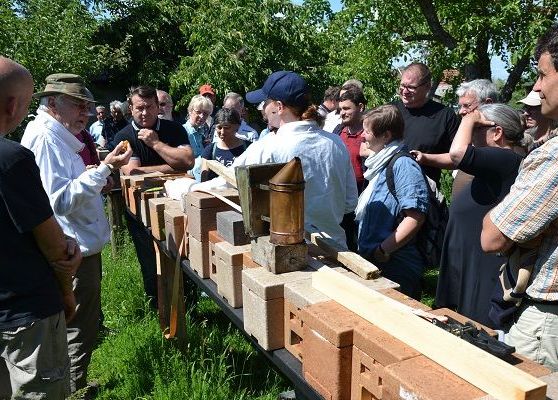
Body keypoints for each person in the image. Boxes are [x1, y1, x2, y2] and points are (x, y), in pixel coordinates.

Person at [20, 73, 132, 393]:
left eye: (87, 105)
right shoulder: (45, 137)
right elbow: (60, 201)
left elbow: (59, 188)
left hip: (74, 246)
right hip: (71, 250)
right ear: (53, 103)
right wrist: (104, 169)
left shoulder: (55, 134)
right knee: (78, 327)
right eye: (77, 104)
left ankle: (71, 385)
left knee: (78, 323)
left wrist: (91, 176)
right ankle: (74, 390)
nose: (84, 111)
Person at [0, 57, 83, 400]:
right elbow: (54, 247)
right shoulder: (11, 159)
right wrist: (66, 289)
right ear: (12, 104)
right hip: (24, 313)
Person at [481, 24, 558, 372]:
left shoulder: (554, 157)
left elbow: (492, 236)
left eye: (542, 75)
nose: (537, 87)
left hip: (545, 321)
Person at [236, 70, 358, 248]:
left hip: (290, 252)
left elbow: (233, 179)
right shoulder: (336, 142)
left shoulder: (269, 145)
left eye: (265, 103)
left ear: (279, 106)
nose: (263, 108)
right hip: (336, 250)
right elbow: (349, 203)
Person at [434, 104, 524, 327]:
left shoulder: (506, 158)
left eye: (477, 127)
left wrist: (469, 118)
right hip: (469, 258)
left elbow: (457, 154)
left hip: (482, 264)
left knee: (475, 327)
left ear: (497, 132)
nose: (471, 133)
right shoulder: (495, 163)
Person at [114, 85, 194, 304]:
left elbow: (187, 161)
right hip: (140, 210)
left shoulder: (174, 129)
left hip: (176, 204)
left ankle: (189, 303)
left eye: (149, 107)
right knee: (149, 260)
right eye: (139, 107)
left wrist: (156, 143)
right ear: (130, 108)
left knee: (183, 255)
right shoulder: (124, 136)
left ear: (158, 107)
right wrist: (171, 164)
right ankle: (156, 305)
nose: (144, 113)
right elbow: (132, 172)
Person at [356, 105, 429, 299]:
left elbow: (415, 217)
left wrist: (383, 250)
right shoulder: (381, 163)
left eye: (367, 131)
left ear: (386, 135)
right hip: (379, 263)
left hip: (397, 266)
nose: (362, 135)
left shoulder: (403, 165)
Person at [412, 78, 498, 199]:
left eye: (467, 105)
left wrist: (469, 120)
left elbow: (459, 154)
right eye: (460, 106)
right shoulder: (475, 131)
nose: (461, 111)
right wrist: (424, 157)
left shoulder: (497, 135)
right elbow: (456, 157)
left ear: (488, 103)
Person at [394, 62, 460, 185]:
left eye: (412, 87)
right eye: (402, 85)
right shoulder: (390, 111)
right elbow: (365, 147)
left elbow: (458, 159)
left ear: (427, 86)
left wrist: (426, 159)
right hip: (387, 189)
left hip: (423, 190)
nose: (405, 91)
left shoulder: (445, 116)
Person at [201, 108, 249, 181]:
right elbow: (204, 179)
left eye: (227, 128)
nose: (222, 132)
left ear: (237, 126)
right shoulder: (210, 150)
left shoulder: (249, 148)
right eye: (219, 127)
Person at [333, 87, 366, 193]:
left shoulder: (371, 135)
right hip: (340, 195)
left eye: (346, 108)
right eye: (340, 109)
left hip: (362, 195)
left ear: (360, 107)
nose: (342, 113)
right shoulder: (337, 132)